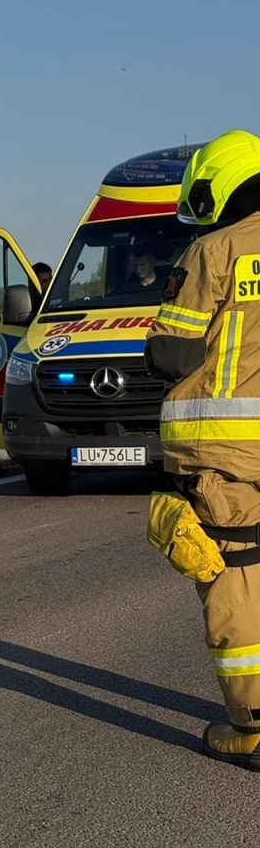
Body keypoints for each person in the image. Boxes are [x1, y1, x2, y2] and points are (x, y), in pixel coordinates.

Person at [144, 128, 260, 771]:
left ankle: (252, 726)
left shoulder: (215, 250)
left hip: (223, 448)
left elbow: (173, 352)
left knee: (230, 575)